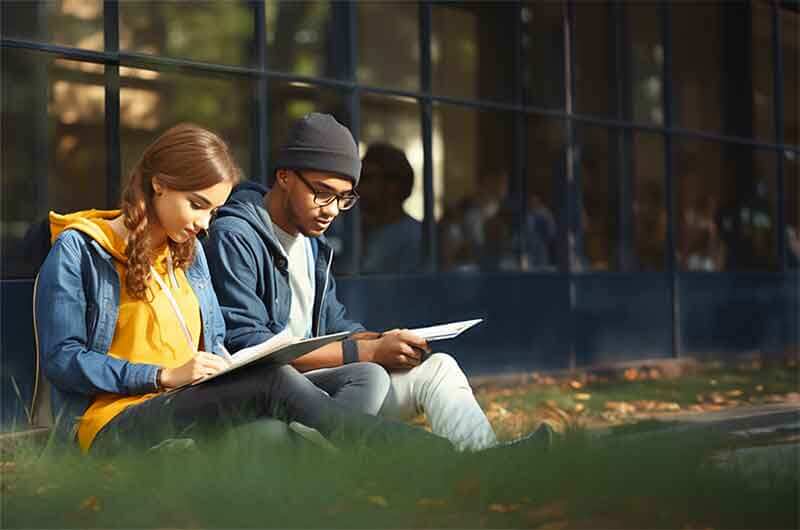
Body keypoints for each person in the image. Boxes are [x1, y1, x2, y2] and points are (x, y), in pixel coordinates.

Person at [35, 123, 448, 454]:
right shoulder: (81, 250)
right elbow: (64, 360)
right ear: (158, 184)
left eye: (213, 210)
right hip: (112, 421)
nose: (204, 224)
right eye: (197, 205)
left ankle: (320, 462)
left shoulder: (187, 251)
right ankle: (410, 452)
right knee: (276, 384)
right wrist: (163, 376)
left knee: (358, 375)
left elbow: (214, 344)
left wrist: (230, 364)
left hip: (190, 397)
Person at [205, 113, 553, 451]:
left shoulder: (312, 242)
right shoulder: (236, 235)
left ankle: (485, 458)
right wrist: (366, 351)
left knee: (438, 368)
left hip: (324, 385)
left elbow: (334, 323)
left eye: (344, 198)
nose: (332, 210)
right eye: (322, 193)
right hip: (275, 389)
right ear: (284, 177)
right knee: (368, 376)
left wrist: (382, 341)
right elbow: (250, 347)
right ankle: (327, 452)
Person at [358, 143, 422, 274]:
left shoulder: (416, 237)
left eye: (366, 178)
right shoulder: (355, 232)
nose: (357, 187)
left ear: (393, 185)